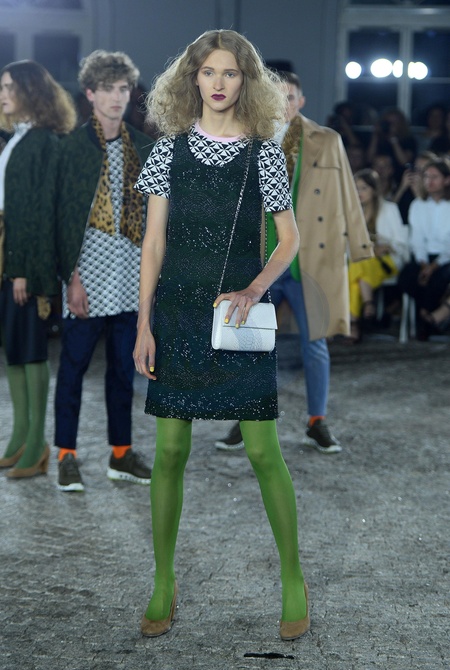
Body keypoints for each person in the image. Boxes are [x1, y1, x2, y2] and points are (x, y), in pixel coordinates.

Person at [133, 29, 308, 640]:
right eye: (208, 71)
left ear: (246, 81)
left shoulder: (265, 153)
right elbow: (153, 244)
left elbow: (289, 240)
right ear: (192, 78)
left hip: (237, 314)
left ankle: (293, 578)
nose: (218, 82)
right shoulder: (167, 150)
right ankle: (163, 580)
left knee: (262, 452)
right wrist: (143, 324)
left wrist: (255, 288)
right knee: (169, 452)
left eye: (230, 72)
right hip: (177, 313)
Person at [216, 71, 373, 454]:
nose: (283, 103)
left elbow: (347, 194)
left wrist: (360, 248)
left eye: (290, 96)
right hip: (260, 257)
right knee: (252, 341)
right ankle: (248, 416)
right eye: (277, 95)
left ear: (301, 101)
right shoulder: (248, 138)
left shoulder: (326, 139)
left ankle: (317, 420)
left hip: (311, 258)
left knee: (315, 342)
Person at [54, 50, 153, 492]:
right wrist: (71, 278)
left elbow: (155, 219)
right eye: (108, 89)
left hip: (130, 275)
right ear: (90, 94)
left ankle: (121, 453)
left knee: (122, 371)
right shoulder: (72, 148)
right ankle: (66, 455)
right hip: (86, 276)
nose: (117, 97)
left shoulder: (143, 145)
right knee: (72, 369)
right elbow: (61, 219)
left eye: (123, 89)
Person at [0, 60, 76, 477]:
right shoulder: (19, 137)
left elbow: (41, 213)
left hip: (25, 262)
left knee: (30, 350)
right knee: (14, 349)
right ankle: (19, 438)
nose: (2, 95)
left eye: (9, 87)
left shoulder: (44, 141)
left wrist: (24, 271)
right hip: (10, 256)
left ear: (31, 91)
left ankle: (37, 445)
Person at [347, 169, 409, 342]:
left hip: (386, 261)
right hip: (362, 262)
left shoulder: (389, 209)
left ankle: (354, 323)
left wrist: (385, 246)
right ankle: (367, 306)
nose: (359, 192)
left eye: (364, 188)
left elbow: (401, 243)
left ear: (374, 190)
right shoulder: (353, 213)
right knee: (357, 273)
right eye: (356, 188)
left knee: (356, 267)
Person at [397, 158, 450, 339]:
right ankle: (427, 316)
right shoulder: (418, 205)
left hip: (445, 258)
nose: (429, 181)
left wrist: (433, 266)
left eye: (434, 177)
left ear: (447, 180)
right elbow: (417, 239)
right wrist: (423, 264)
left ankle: (425, 316)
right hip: (423, 257)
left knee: (441, 276)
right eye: (426, 176)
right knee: (407, 277)